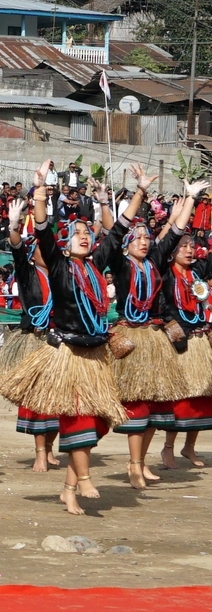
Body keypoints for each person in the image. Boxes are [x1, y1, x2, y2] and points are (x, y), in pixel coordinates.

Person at [0, 160, 147, 515]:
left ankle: (69, 487)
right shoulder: (60, 263)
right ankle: (83, 479)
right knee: (79, 418)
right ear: (65, 245)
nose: (84, 235)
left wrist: (140, 191)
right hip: (67, 353)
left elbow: (120, 228)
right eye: (77, 233)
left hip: (95, 355)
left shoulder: (96, 265)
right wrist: (40, 189)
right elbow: (44, 229)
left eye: (87, 232)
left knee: (100, 421)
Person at [105, 181, 204, 489]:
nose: (145, 242)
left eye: (147, 237)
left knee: (153, 408)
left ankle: (142, 462)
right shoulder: (122, 266)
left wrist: (190, 197)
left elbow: (176, 230)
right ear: (128, 245)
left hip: (153, 337)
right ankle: (133, 464)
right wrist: (138, 194)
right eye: (139, 239)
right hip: (131, 336)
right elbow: (114, 234)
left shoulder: (154, 263)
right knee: (137, 405)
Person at [0, 197, 61, 473]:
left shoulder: (62, 275)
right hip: (35, 342)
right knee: (38, 400)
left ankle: (49, 449)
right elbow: (17, 250)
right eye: (40, 250)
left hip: (58, 342)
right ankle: (39, 452)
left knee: (59, 400)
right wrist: (13, 225)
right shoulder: (28, 273)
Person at [160, 228, 212, 469]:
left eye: (192, 246)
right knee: (181, 397)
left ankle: (189, 446)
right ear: (172, 252)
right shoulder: (165, 275)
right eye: (183, 246)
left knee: (203, 396)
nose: (189, 250)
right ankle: (168, 447)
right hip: (179, 340)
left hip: (200, 341)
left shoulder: (197, 272)